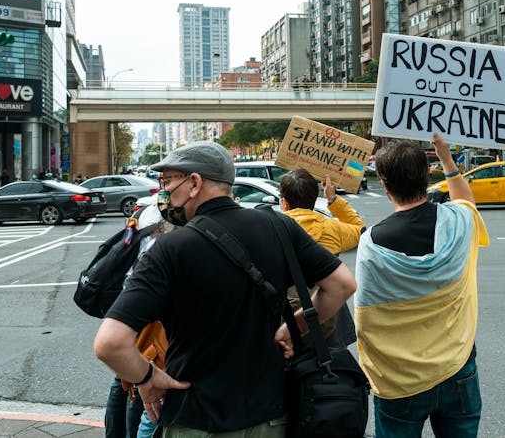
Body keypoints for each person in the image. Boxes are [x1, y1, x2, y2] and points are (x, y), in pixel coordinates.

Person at [93, 141, 356, 436]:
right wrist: (292, 328)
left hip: (195, 418)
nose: (163, 192)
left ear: (194, 182)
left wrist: (146, 378)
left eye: (168, 181)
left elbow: (110, 343)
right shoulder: (279, 227)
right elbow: (341, 284)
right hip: (270, 418)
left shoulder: (169, 249)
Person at [354, 134, 489, 437]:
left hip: (399, 379)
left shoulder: (372, 243)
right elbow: (466, 202)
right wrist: (447, 159)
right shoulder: (459, 221)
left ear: (385, 185)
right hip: (458, 368)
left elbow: (367, 318)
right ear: (428, 176)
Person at [105, 203, 172, 438]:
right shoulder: (175, 216)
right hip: (151, 308)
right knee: (142, 380)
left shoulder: (144, 211)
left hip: (129, 297)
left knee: (124, 377)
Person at [279, 169, 364, 347]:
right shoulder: (331, 228)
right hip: (328, 316)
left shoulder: (271, 231)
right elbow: (359, 229)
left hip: (286, 320)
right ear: (315, 199)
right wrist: (332, 199)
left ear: (284, 203)